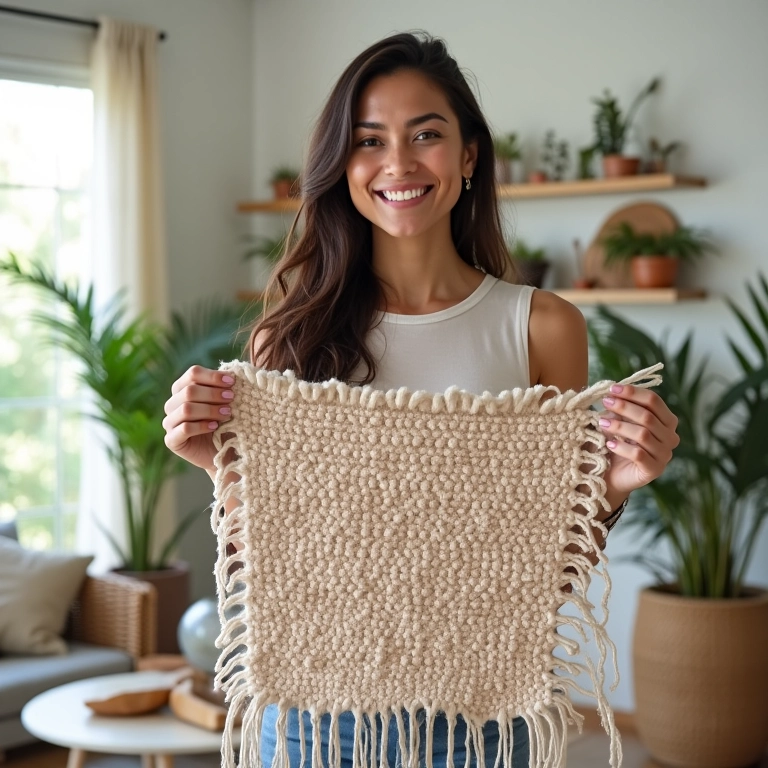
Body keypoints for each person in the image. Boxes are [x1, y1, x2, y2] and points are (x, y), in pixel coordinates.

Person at [162, 31, 679, 768]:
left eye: (426, 135)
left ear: (469, 155)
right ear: (342, 166)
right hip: (313, 711)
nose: (398, 164)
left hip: (482, 715)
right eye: (369, 140)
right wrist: (216, 462)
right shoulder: (290, 336)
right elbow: (278, 564)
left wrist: (616, 484)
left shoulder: (542, 324)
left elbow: (544, 575)